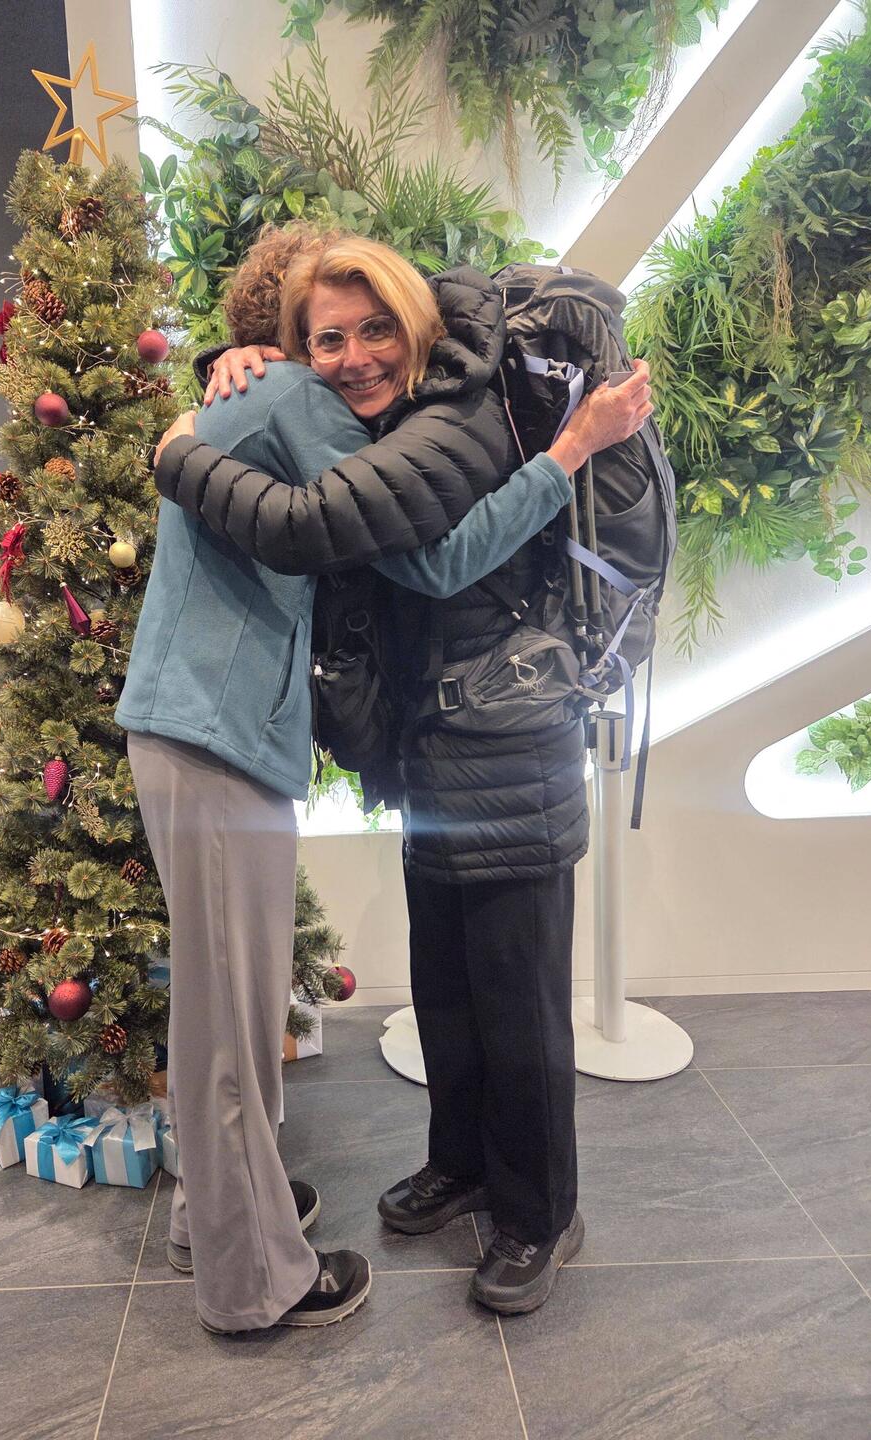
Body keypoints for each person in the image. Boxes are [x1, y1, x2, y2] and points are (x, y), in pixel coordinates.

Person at [151, 231, 654, 1318]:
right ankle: (463, 1164)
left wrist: (182, 446)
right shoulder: (390, 415)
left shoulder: (457, 418)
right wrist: (231, 362)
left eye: (376, 329)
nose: (355, 356)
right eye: (327, 340)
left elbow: (381, 544)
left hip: (508, 735)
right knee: (449, 984)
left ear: (420, 323)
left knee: (518, 996)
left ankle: (540, 1214)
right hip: (433, 739)